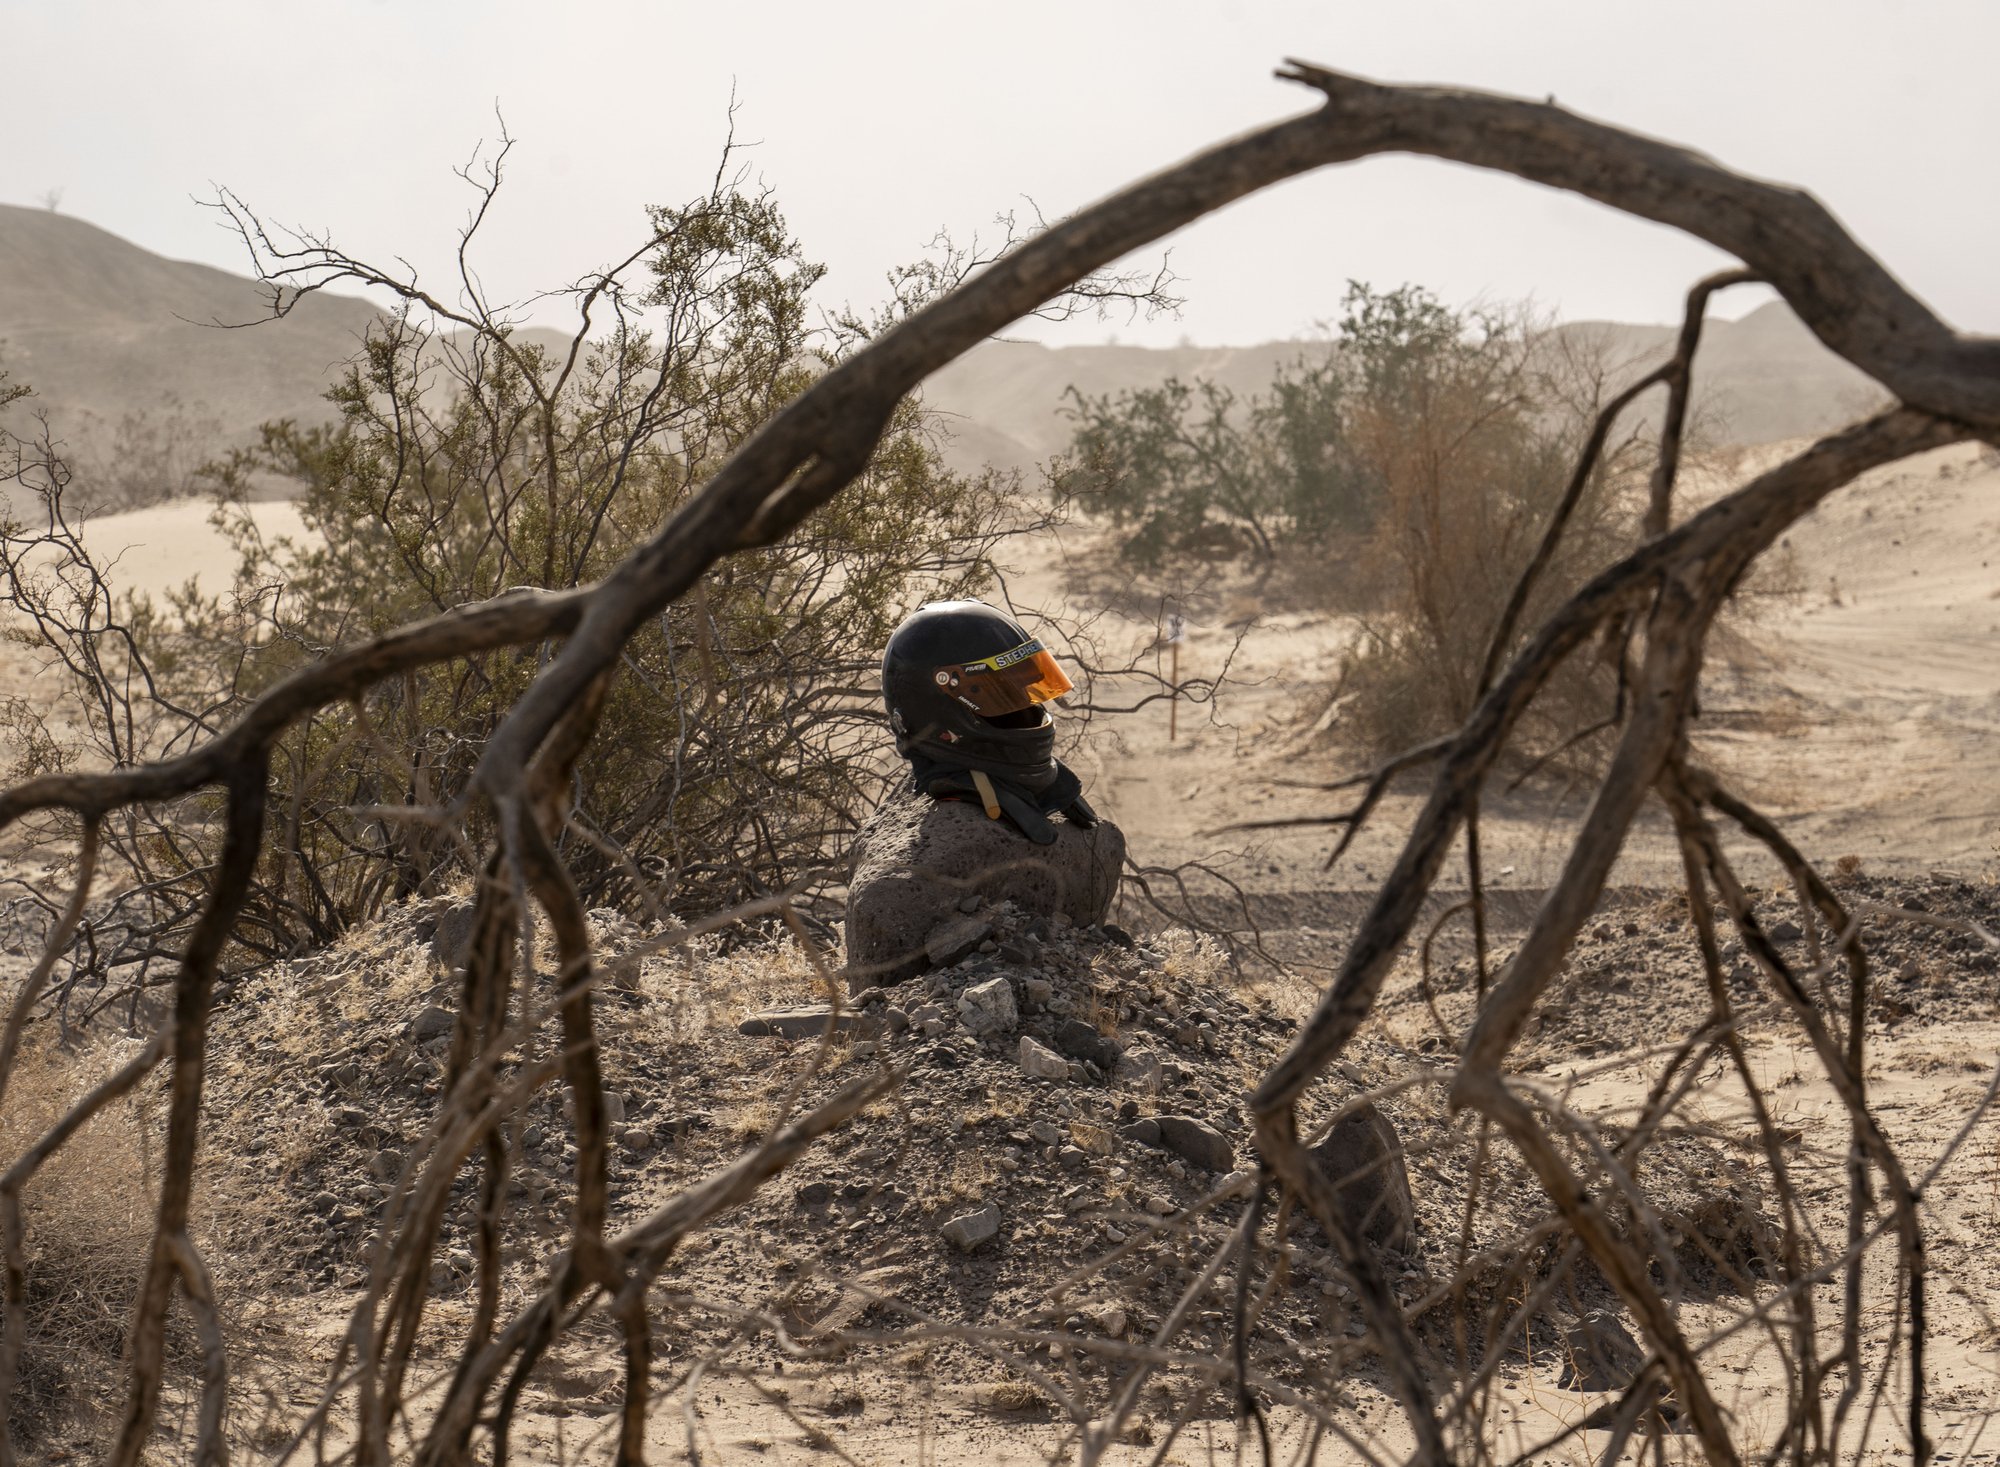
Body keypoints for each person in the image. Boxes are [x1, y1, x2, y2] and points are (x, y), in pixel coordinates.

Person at [879, 599, 1099, 845]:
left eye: (1015, 692)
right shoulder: (953, 847)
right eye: (994, 698)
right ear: (938, 708)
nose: (1022, 712)